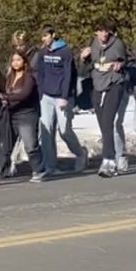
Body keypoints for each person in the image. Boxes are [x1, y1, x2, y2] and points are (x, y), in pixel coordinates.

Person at [35, 25, 87, 175]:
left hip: (63, 97)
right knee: (46, 131)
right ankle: (50, 165)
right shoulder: (42, 52)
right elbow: (40, 72)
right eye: (42, 36)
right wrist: (40, 92)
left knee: (64, 130)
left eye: (46, 36)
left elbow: (68, 76)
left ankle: (80, 153)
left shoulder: (65, 51)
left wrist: (64, 96)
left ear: (53, 35)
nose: (43, 39)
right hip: (46, 95)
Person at [82, 20, 129, 177]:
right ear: (96, 32)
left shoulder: (117, 44)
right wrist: (83, 57)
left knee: (108, 121)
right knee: (103, 124)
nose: (103, 34)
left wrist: (119, 65)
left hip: (114, 83)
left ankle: (109, 160)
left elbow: (126, 60)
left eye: (106, 31)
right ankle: (112, 156)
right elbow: (84, 68)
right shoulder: (92, 44)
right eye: (100, 31)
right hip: (97, 84)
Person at [0, 49, 45, 181]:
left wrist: (5, 96)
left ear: (24, 61)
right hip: (12, 114)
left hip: (27, 114)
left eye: (18, 60)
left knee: (30, 145)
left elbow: (24, 95)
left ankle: (39, 170)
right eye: (13, 61)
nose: (15, 63)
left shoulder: (29, 77)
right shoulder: (9, 77)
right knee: (6, 144)